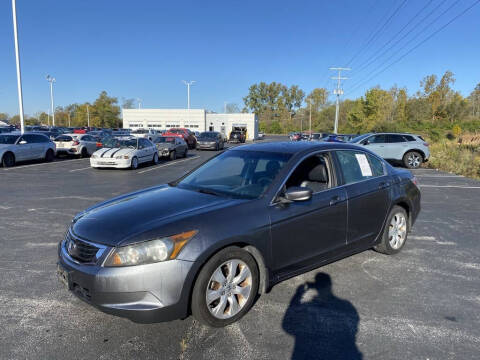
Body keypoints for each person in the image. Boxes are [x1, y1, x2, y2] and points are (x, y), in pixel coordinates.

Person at [282, 273, 362, 360]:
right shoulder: (346, 305)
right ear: (330, 286)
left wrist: (297, 295)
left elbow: (287, 325)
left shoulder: (308, 308)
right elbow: (353, 327)